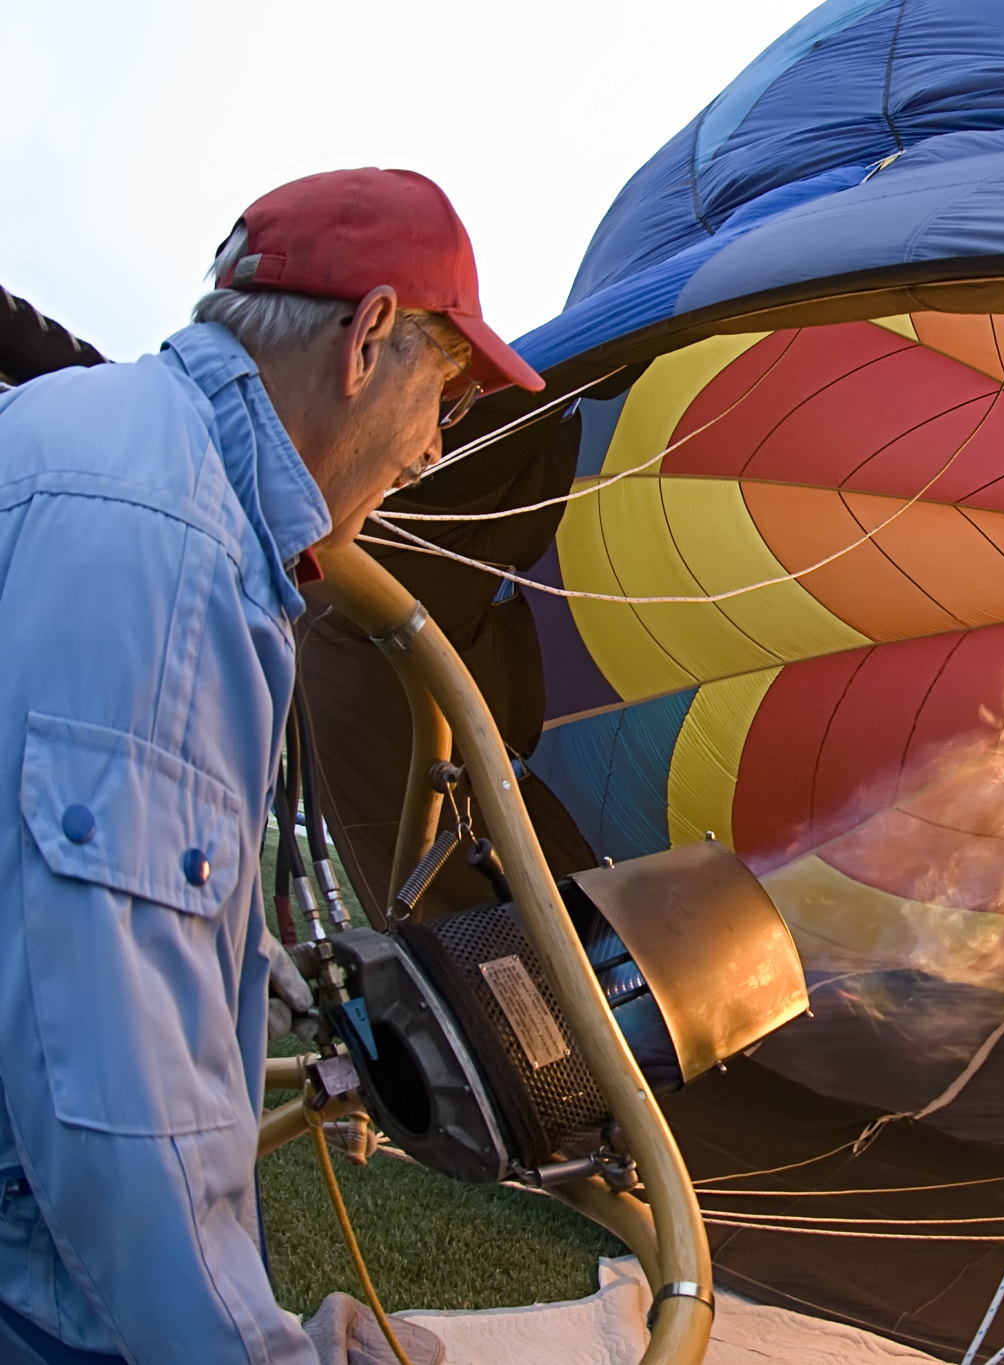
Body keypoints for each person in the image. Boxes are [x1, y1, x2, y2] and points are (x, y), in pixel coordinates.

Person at [0, 169, 541, 1363]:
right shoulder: (170, 549)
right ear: (369, 339)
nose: (432, 445)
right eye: (442, 392)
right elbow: (109, 1096)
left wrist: (240, 951)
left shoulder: (106, 447)